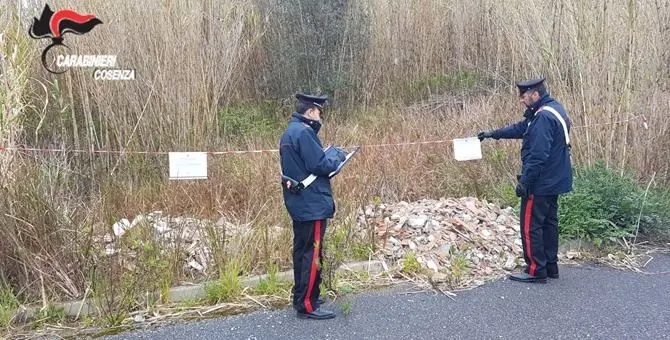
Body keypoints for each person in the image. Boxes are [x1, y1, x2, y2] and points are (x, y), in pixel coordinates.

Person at [478, 77, 573, 284]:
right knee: (549, 223)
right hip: (556, 179)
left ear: (535, 95)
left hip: (541, 181)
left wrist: (525, 182)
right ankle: (550, 266)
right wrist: (494, 134)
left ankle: (534, 270)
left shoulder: (543, 118)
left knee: (531, 226)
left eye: (523, 96)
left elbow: (538, 155)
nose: (521, 100)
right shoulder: (552, 109)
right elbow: (522, 128)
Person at [279, 92, 347, 319]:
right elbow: (321, 165)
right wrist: (338, 157)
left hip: (300, 203)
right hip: (312, 203)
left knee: (301, 251)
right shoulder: (305, 133)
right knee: (311, 253)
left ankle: (301, 297)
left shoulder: (291, 131)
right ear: (310, 112)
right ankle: (308, 305)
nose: (320, 116)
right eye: (318, 111)